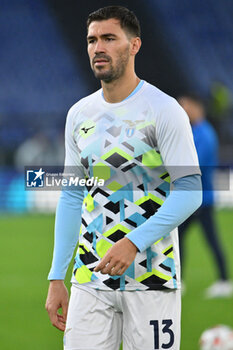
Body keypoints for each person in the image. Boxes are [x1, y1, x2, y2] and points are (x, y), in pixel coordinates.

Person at [45, 6, 202, 350]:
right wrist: (58, 274)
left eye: (108, 38)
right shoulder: (79, 115)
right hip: (89, 278)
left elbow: (190, 191)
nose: (97, 47)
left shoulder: (164, 110)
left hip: (152, 278)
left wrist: (132, 242)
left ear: (134, 46)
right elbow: (72, 196)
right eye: (91, 40)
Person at [178, 94, 233, 298]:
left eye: (183, 105)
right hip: (196, 197)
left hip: (201, 198)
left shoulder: (204, 133)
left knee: (207, 238)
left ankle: (224, 281)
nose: (181, 110)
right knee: (180, 236)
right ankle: (181, 279)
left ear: (195, 106)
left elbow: (196, 165)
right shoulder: (196, 131)